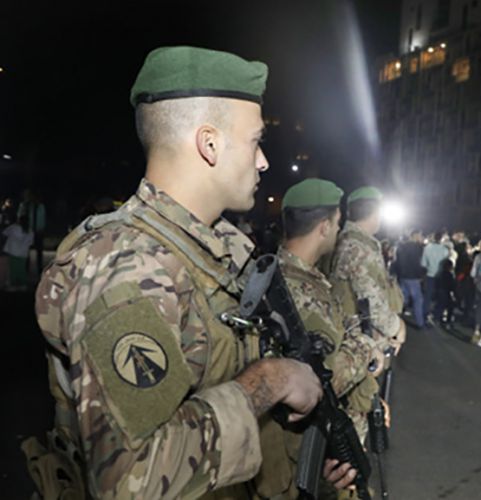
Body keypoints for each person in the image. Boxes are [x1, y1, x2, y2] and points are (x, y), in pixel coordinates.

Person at [29, 46, 355, 499]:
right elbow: (129, 482)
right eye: (255, 141)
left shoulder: (218, 251)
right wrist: (271, 380)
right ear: (209, 144)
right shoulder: (131, 268)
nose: (263, 161)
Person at [266, 179, 383, 497]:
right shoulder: (299, 291)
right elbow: (322, 380)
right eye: (337, 222)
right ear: (324, 226)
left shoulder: (292, 276)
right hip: (310, 450)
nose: (339, 230)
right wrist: (366, 347)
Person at [330, 186, 406, 356]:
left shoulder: (351, 240)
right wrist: (397, 327)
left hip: (361, 340)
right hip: (362, 344)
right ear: (376, 212)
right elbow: (372, 303)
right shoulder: (358, 247)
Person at [392, 230, 426, 328]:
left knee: (403, 299)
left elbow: (396, 261)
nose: (421, 238)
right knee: (417, 299)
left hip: (402, 276)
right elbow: (419, 263)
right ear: (416, 236)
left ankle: (395, 319)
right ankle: (420, 323)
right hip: (413, 277)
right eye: (420, 236)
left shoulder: (401, 246)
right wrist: (420, 275)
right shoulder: (417, 248)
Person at [421, 230, 451, 325]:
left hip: (430, 275)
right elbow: (447, 264)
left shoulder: (427, 248)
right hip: (441, 276)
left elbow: (423, 263)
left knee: (427, 297)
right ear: (442, 239)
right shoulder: (445, 250)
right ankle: (437, 316)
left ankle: (425, 315)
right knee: (440, 298)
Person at [2, 214, 33, 290]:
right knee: (21, 269)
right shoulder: (30, 231)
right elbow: (30, 243)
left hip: (13, 251)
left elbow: (4, 233)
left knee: (13, 269)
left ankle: (13, 284)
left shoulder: (13, 228)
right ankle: (22, 284)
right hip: (23, 253)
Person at [434, 258, 458, 329]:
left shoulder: (439, 274)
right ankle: (448, 321)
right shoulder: (449, 275)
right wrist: (455, 294)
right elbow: (452, 286)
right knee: (450, 307)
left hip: (440, 292)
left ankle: (437, 319)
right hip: (446, 292)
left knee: (440, 306)